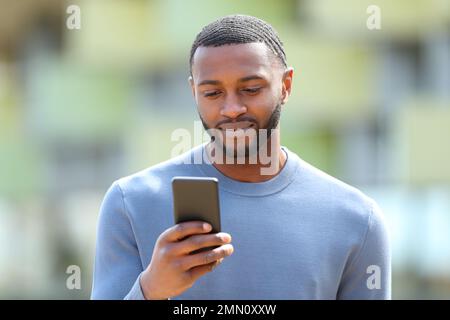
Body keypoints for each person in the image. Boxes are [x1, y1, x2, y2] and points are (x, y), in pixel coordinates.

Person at [91, 14, 391, 300]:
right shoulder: (131, 202)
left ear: (285, 86)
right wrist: (150, 290)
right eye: (212, 93)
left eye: (250, 89)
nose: (232, 108)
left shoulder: (356, 220)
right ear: (193, 91)